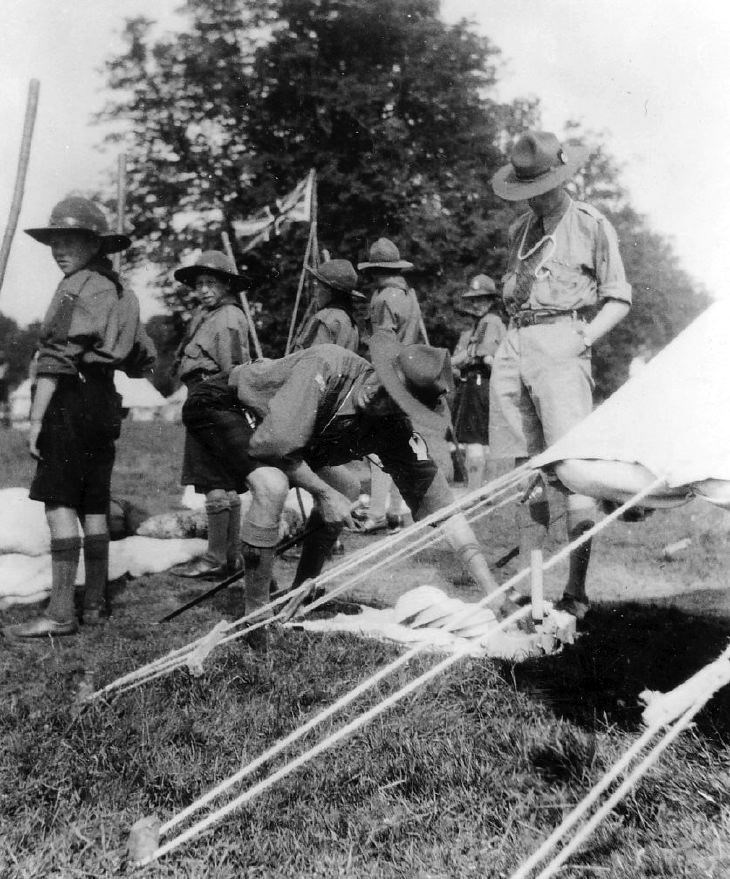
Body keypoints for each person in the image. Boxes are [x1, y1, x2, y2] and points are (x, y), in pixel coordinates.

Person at [181, 336, 510, 635]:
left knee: (349, 489)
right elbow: (273, 446)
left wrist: (493, 592)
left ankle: (302, 590)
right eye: (386, 382)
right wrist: (323, 493)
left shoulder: (396, 431)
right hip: (224, 402)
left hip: (275, 431)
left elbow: (444, 510)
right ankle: (255, 621)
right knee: (272, 485)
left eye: (394, 399)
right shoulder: (327, 364)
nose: (377, 396)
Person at [489, 130, 631, 620]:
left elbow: (618, 296)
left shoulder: (591, 224)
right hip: (515, 342)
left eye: (541, 186)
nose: (534, 197)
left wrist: (583, 339)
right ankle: (531, 588)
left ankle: (576, 592)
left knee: (571, 472)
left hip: (562, 343)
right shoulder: (519, 231)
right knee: (527, 471)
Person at [3, 196, 155, 640]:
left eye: (71, 240)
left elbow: (54, 357)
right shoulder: (123, 292)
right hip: (104, 401)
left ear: (94, 244)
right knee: (94, 503)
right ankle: (94, 605)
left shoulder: (75, 287)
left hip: (69, 400)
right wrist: (109, 359)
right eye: (55, 241)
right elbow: (144, 357)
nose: (59, 249)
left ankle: (60, 613)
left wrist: (34, 421)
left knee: (60, 502)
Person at [169, 251, 251, 580]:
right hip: (204, 398)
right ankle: (231, 557)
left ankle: (217, 558)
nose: (203, 290)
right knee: (222, 482)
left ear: (226, 285)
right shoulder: (206, 316)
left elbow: (233, 367)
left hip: (212, 400)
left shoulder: (228, 316)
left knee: (214, 480)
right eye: (199, 284)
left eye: (210, 283)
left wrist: (213, 401)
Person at [357, 238, 427, 533]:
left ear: (376, 270)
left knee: (377, 450)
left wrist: (371, 385)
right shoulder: (408, 294)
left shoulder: (384, 297)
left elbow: (386, 346)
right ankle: (397, 513)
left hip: (388, 380)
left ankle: (377, 513)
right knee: (399, 448)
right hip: (407, 378)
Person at [451, 274, 506, 491]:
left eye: (482, 299)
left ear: (491, 300)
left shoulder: (490, 321)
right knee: (483, 441)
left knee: (476, 441)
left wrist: (449, 363)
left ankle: (476, 492)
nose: (476, 303)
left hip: (481, 383)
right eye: (474, 299)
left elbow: (483, 356)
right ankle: (484, 490)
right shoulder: (482, 323)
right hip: (480, 384)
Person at [293, 258, 364, 352]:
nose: (316, 293)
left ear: (328, 291)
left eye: (318, 286)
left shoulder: (325, 318)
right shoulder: (351, 323)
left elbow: (312, 360)